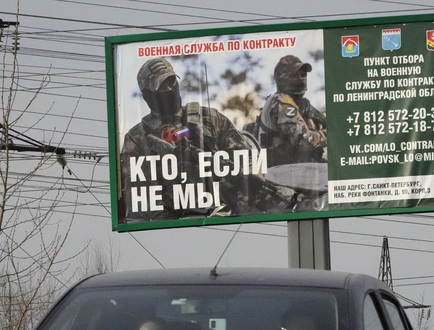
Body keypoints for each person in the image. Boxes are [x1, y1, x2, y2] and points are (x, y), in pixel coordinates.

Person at [120, 58, 287, 222]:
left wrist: (247, 192)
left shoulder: (209, 118)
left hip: (226, 215)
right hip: (174, 225)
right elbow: (140, 199)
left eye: (171, 81)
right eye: (162, 86)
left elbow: (247, 158)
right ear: (148, 95)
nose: (170, 88)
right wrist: (175, 227)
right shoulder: (137, 138)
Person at [253, 55, 327, 167]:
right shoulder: (281, 101)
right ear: (283, 77)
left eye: (303, 74)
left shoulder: (299, 105)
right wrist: (330, 134)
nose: (301, 77)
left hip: (295, 175)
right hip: (280, 177)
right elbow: (304, 142)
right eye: (295, 74)